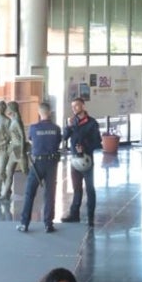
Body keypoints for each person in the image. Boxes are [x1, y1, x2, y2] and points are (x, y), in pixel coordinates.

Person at [19, 101, 63, 233]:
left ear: (39, 113)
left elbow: (31, 141)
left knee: (29, 193)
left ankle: (24, 223)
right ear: (49, 113)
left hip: (37, 164)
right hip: (51, 164)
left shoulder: (33, 128)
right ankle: (48, 224)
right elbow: (57, 143)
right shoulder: (56, 128)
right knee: (50, 194)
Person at [61, 96, 102, 225]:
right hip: (74, 160)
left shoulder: (92, 123)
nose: (73, 109)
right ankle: (74, 214)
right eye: (72, 106)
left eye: (76, 106)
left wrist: (85, 146)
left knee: (90, 188)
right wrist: (68, 127)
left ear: (83, 106)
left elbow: (97, 142)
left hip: (87, 159)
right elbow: (64, 137)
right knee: (76, 188)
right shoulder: (72, 123)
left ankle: (91, 216)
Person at [0, 101, 28, 200]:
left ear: (12, 109)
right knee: (9, 172)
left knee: (26, 172)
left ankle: (32, 188)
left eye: (8, 108)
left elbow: (22, 136)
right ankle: (5, 194)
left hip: (18, 149)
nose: (7, 110)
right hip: (13, 149)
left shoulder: (17, 121)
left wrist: (22, 151)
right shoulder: (13, 120)